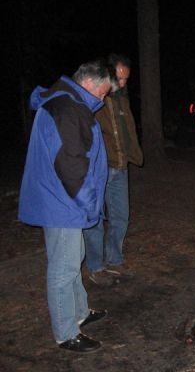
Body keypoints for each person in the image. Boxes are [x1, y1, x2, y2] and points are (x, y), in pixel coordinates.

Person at [18, 60, 112, 352]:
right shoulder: (68, 109)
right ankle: (65, 332)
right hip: (62, 201)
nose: (104, 99)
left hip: (63, 200)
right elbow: (71, 165)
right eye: (103, 93)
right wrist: (89, 205)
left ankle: (80, 313)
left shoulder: (66, 103)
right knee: (63, 267)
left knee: (75, 258)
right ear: (89, 85)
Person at [83, 54, 143, 286]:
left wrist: (133, 155)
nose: (122, 83)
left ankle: (114, 260)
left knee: (120, 217)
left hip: (120, 166)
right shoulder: (94, 101)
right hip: (100, 168)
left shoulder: (121, 100)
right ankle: (96, 267)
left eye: (126, 79)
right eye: (119, 78)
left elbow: (127, 132)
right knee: (96, 219)